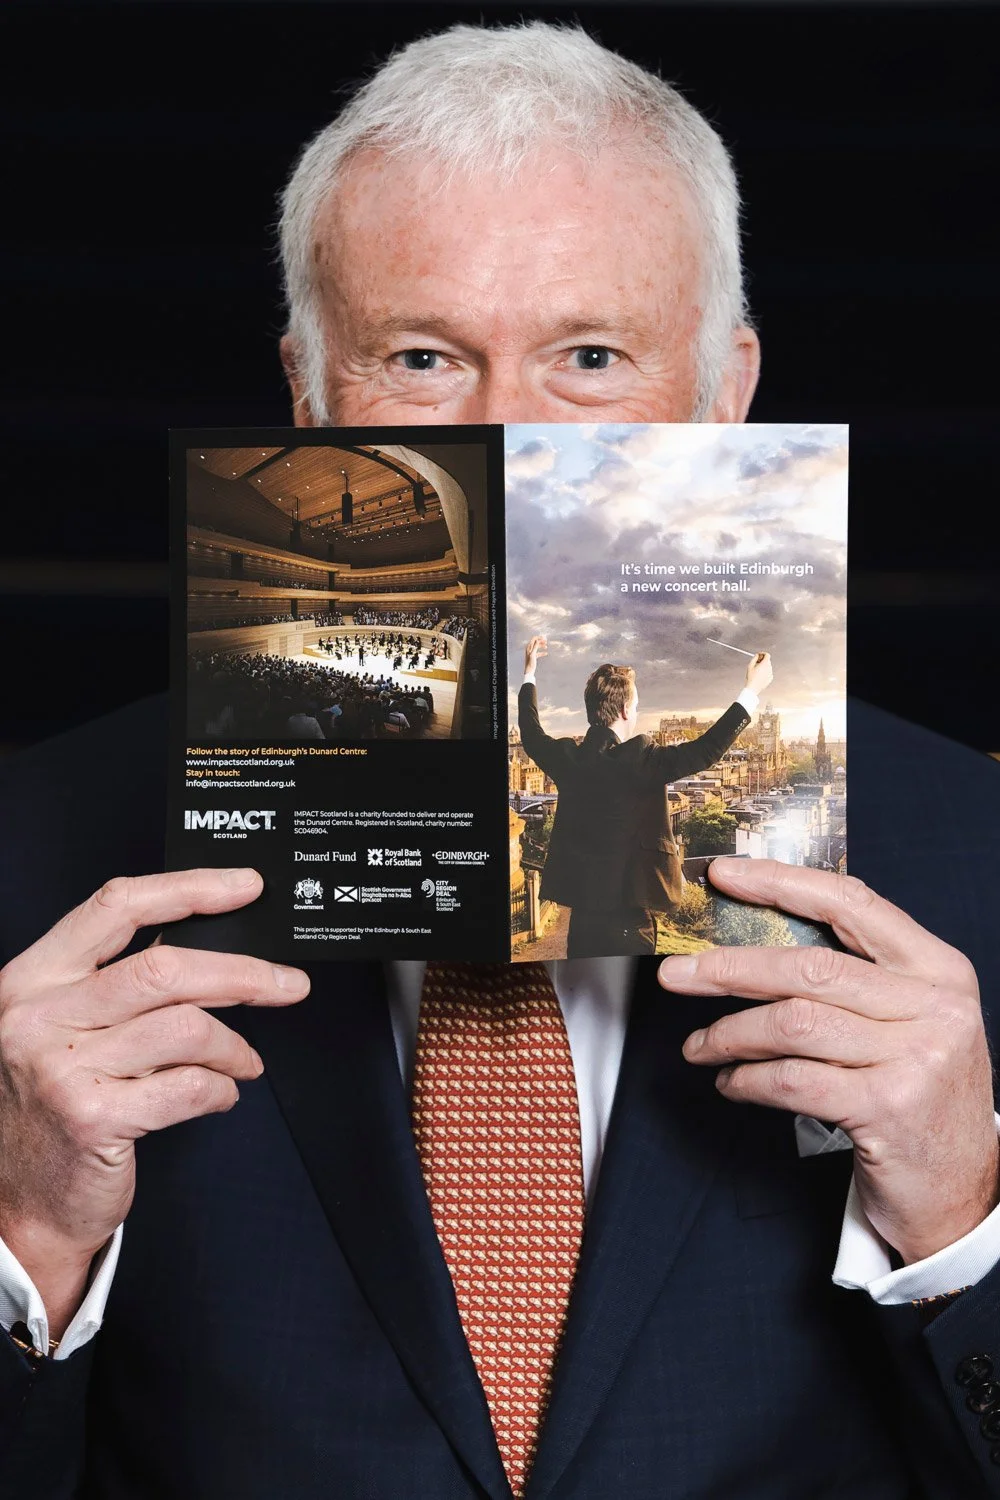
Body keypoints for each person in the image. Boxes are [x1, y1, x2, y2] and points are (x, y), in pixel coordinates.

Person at [3, 21, 1000, 1499]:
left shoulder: (973, 853)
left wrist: (965, 1218)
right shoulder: (33, 857)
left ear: (727, 395)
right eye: (421, 357)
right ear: (308, 394)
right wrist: (24, 1240)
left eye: (589, 357)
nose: (507, 436)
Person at [518, 636, 773, 957]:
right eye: (636, 707)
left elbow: (530, 733)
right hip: (629, 925)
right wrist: (751, 690)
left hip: (583, 923)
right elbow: (707, 749)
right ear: (625, 710)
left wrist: (530, 672)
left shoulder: (569, 758)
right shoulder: (643, 760)